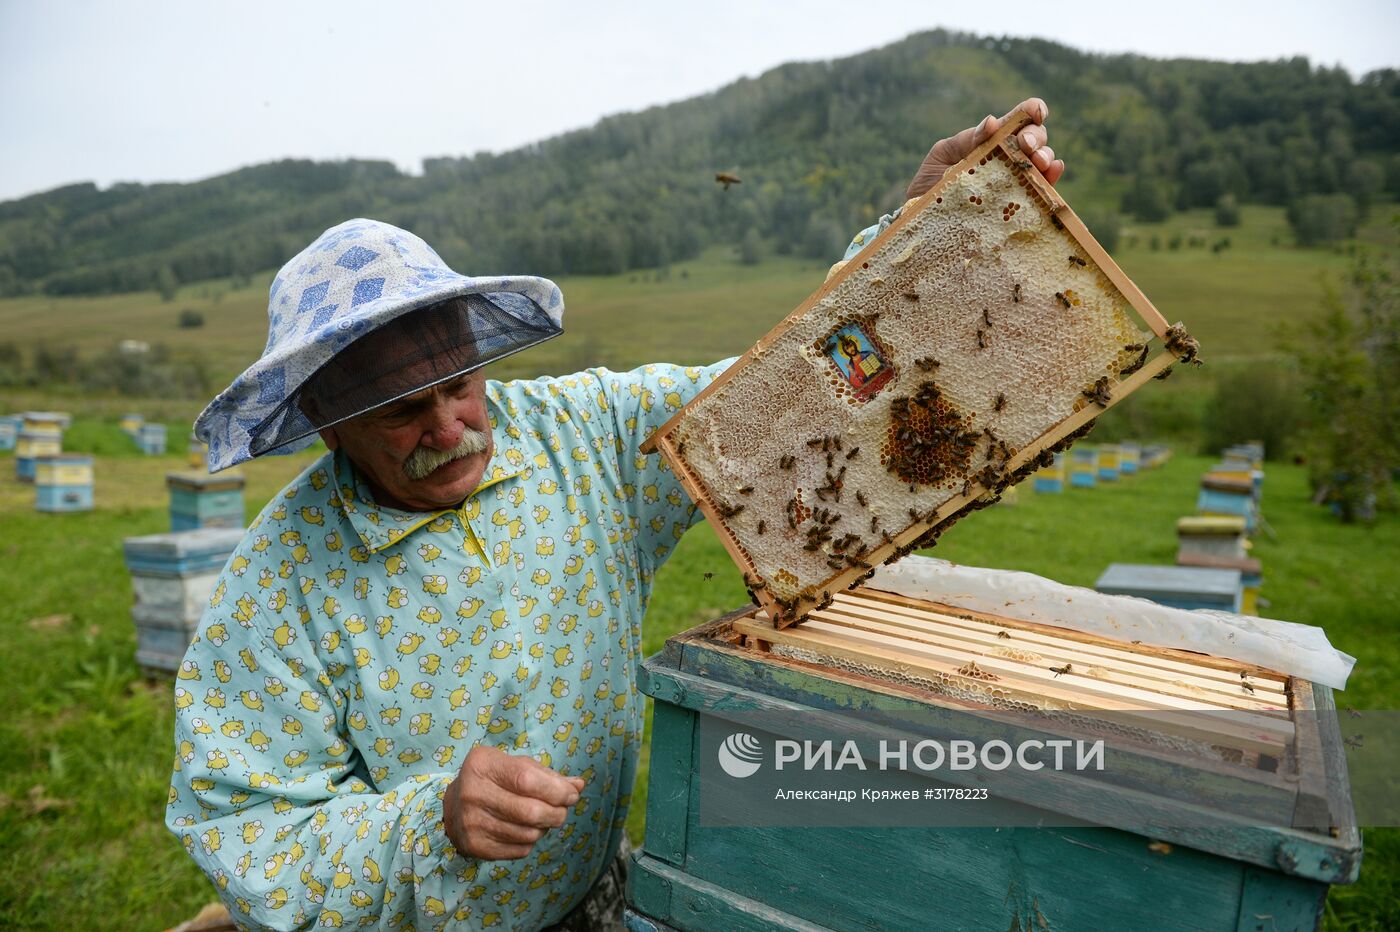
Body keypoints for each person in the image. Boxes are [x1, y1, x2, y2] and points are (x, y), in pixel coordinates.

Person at [167, 99, 1064, 931]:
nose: (450, 427)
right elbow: (245, 827)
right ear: (331, 427)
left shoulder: (586, 435)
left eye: (460, 386)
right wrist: (428, 820)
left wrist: (919, 237)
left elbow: (781, 393)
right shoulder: (276, 588)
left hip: (593, 891)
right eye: (403, 412)